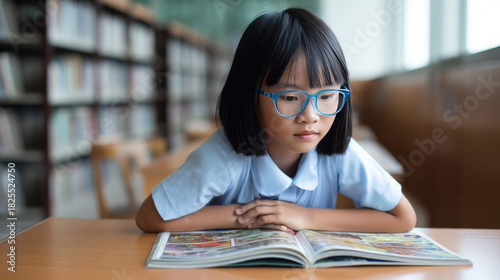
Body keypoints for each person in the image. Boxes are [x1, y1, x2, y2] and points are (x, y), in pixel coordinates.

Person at [135, 7, 416, 234]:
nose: (311, 116)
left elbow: (403, 217)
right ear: (250, 94)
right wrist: (250, 216)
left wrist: (305, 217)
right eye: (290, 98)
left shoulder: (339, 152)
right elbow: (149, 217)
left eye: (328, 95)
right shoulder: (222, 157)